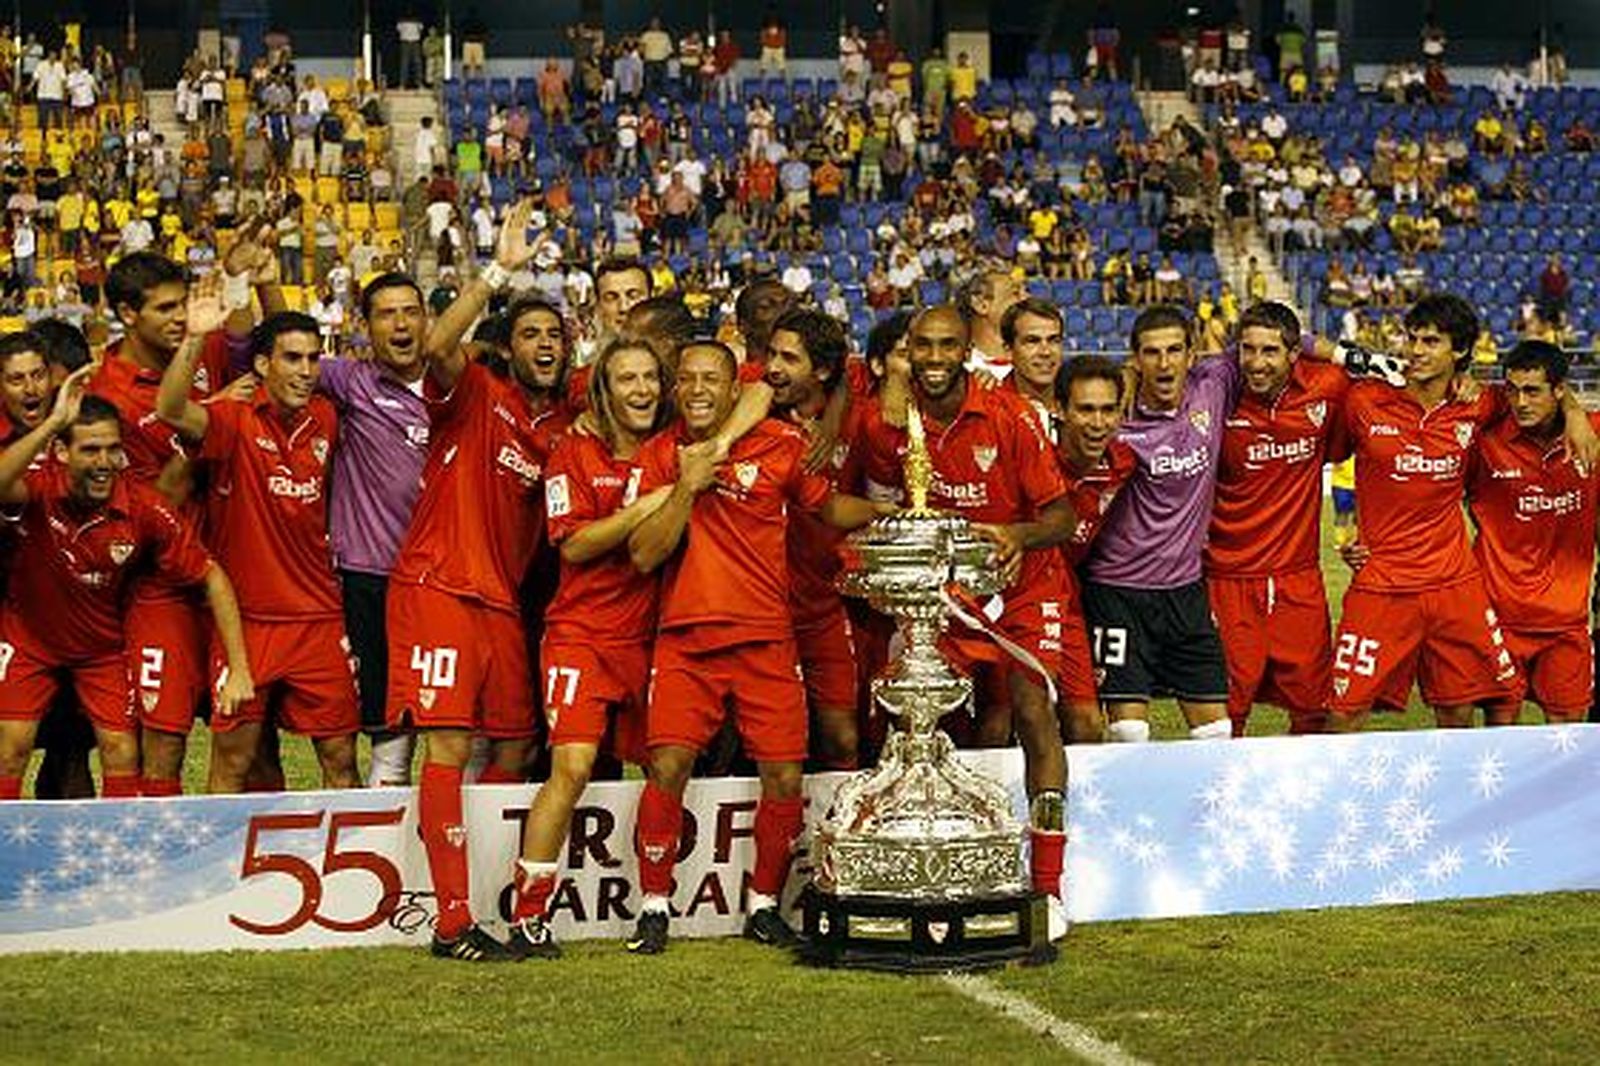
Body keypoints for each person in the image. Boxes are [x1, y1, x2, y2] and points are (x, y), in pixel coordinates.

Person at [624, 340, 889, 955]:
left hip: (768, 637)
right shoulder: (660, 455)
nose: (696, 389)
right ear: (672, 389)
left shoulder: (778, 444)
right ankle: (654, 904)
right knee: (667, 766)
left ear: (731, 387)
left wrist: (894, 508)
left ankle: (764, 904)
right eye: (685, 378)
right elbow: (642, 554)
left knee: (784, 774)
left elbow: (824, 507)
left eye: (710, 379)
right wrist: (688, 487)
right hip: (686, 640)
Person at [857, 306, 1078, 935]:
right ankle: (904, 864)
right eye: (920, 346)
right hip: (940, 601)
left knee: (1034, 715)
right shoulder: (891, 425)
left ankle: (1047, 887)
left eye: (945, 346)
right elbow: (877, 505)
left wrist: (1016, 533)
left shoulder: (1008, 416)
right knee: (910, 720)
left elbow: (1061, 519)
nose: (932, 358)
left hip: (1022, 595)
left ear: (965, 352)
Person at [389, 203, 562, 962]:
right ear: (507, 349)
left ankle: (485, 896)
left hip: (500, 602)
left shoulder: (564, 432)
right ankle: (451, 919)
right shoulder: (475, 399)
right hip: (440, 587)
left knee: (518, 745)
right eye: (530, 334)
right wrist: (500, 270)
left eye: (555, 334)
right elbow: (435, 342)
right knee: (449, 747)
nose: (545, 344)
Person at [1331, 295, 1592, 729]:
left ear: (1460, 351)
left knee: (1458, 710)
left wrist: (1575, 413)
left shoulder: (1481, 405)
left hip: (1454, 585)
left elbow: (1545, 391)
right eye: (1412, 338)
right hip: (1382, 582)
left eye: (1431, 341)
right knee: (1341, 712)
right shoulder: (1364, 401)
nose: (1415, 350)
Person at [0, 373, 253, 799]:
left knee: (120, 750)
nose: (104, 462)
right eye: (91, 450)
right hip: (28, 640)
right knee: (10, 748)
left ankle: (122, 861)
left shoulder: (143, 506)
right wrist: (51, 422)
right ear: (61, 452)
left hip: (102, 648)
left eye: (113, 449)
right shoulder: (39, 487)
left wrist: (240, 668)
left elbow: (212, 576)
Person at [505, 338, 672, 959]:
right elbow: (573, 546)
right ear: (603, 389)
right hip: (581, 638)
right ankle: (527, 917)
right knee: (571, 769)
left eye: (650, 377)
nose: (641, 390)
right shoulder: (571, 453)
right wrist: (652, 503)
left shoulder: (673, 450)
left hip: (652, 640)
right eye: (626, 378)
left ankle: (654, 907)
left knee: (666, 766)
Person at [157, 307, 361, 791]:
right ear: (264, 365)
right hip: (247, 622)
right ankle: (220, 871)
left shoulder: (327, 419)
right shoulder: (231, 419)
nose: (306, 371)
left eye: (314, 359)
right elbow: (169, 409)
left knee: (341, 758)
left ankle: (346, 865)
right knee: (235, 759)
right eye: (292, 358)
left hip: (318, 618)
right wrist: (195, 338)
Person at [1081, 306, 1235, 743]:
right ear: (1134, 359)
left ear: (1193, 355)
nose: (1164, 363)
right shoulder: (1112, 416)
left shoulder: (1213, 386)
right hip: (1117, 591)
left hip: (1185, 590)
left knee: (1217, 734)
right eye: (1151, 353)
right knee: (1129, 732)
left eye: (1173, 351)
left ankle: (1207, 812)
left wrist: (1344, 355)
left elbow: (1282, 336)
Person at [1205, 302, 1351, 737]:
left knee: (1314, 711)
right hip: (1227, 579)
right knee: (1225, 716)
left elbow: (1383, 380)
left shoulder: (1327, 388)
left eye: (1270, 351)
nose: (1256, 362)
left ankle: (1299, 801)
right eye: (1247, 350)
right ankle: (1222, 800)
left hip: (1298, 581)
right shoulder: (1216, 396)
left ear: (1294, 355)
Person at [317, 274, 433, 787]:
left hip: (444, 581)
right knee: (390, 732)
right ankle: (385, 853)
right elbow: (276, 351)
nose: (401, 323)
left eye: (411, 311)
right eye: (387, 313)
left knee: (461, 728)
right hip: (371, 575)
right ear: (364, 326)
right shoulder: (350, 380)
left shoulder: (457, 382)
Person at [1466, 341, 1598, 725]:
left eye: (1533, 391)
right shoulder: (1484, 442)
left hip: (1567, 622)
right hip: (1499, 617)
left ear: (1560, 390)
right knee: (1499, 739)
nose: (1520, 402)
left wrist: (1576, 414)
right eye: (1512, 390)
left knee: (1568, 740)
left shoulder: (1592, 438)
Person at [763, 309, 865, 769]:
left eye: (789, 358)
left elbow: (854, 372)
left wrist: (833, 415)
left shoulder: (856, 415)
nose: (773, 367)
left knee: (842, 738)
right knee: (754, 744)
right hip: (764, 608)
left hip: (824, 606)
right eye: (771, 353)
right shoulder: (754, 404)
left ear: (822, 370)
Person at [1050, 357, 1137, 742]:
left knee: (1086, 724)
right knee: (1001, 719)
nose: (1098, 422)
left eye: (1107, 410)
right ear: (1060, 410)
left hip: (1069, 602)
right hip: (1014, 601)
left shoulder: (1122, 464)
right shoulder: (1034, 458)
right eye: (1085, 409)